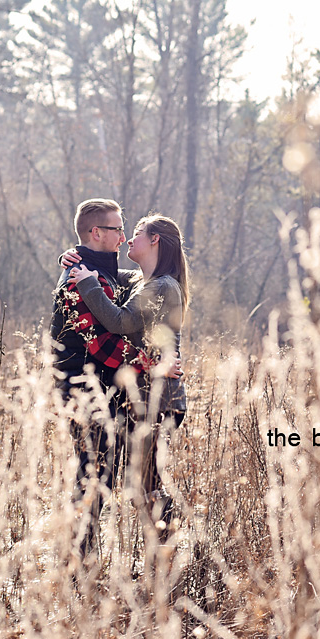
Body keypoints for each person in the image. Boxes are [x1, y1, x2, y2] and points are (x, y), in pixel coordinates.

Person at [51, 199, 163, 561]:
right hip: (82, 392)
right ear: (96, 232)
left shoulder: (107, 274)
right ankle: (77, 561)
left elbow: (141, 283)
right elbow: (101, 345)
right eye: (117, 229)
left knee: (118, 472)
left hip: (109, 393)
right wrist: (150, 363)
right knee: (94, 474)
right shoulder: (75, 279)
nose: (124, 236)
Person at [67, 214, 190, 543]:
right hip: (145, 395)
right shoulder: (142, 281)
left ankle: (177, 549)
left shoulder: (163, 286)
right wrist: (73, 259)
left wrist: (86, 283)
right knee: (143, 483)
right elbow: (105, 273)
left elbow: (120, 321)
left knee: (144, 486)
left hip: (159, 397)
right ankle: (170, 551)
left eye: (136, 233)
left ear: (155, 241)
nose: (127, 239)